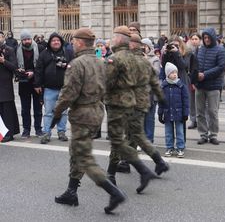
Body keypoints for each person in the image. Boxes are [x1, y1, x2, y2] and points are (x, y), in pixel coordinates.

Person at [52, 27, 126, 214]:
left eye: (73, 41)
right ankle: (71, 191)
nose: (72, 45)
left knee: (83, 157)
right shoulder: (102, 62)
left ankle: (113, 191)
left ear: (79, 42)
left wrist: (56, 112)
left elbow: (68, 94)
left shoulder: (77, 64)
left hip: (82, 114)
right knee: (78, 152)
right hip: (96, 111)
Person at [106, 34, 169, 186]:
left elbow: (109, 82)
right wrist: (161, 100)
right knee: (136, 136)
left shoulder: (123, 59)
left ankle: (112, 173)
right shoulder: (144, 61)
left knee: (120, 138)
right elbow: (155, 82)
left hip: (126, 103)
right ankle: (156, 162)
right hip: (141, 103)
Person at [34, 32, 74, 144]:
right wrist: (37, 84)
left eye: (58, 40)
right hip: (49, 88)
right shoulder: (44, 54)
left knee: (63, 112)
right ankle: (47, 133)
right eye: (53, 40)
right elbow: (38, 70)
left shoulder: (69, 52)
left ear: (61, 42)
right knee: (48, 113)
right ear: (50, 42)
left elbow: (74, 67)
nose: (56, 42)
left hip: (64, 88)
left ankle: (61, 132)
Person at [191, 27, 225, 145]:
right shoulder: (199, 50)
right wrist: (195, 79)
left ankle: (213, 134)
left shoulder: (220, 50)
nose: (206, 40)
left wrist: (204, 75)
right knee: (200, 112)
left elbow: (221, 67)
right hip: (200, 85)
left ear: (212, 37)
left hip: (213, 86)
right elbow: (195, 66)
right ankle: (203, 134)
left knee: (213, 112)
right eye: (204, 37)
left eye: (208, 37)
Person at [16, 29, 43, 138]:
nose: (27, 41)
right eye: (24, 39)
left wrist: (33, 73)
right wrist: (21, 72)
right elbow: (15, 66)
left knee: (38, 108)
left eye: (28, 39)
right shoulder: (16, 50)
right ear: (21, 40)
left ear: (31, 39)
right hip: (23, 83)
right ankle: (26, 130)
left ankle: (38, 129)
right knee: (25, 109)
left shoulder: (39, 48)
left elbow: (42, 67)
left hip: (37, 82)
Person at [158, 62, 189, 158]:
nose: (175, 74)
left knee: (180, 131)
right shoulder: (163, 86)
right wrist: (160, 113)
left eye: (176, 72)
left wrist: (185, 113)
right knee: (168, 132)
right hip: (167, 113)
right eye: (172, 72)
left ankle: (180, 148)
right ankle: (169, 147)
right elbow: (161, 101)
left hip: (179, 113)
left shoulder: (181, 86)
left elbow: (185, 100)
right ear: (168, 74)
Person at [0, 31, 19, 143]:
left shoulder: (9, 50)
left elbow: (14, 67)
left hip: (5, 85)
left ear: (3, 38)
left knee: (7, 111)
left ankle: (9, 133)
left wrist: (4, 61)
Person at [141, 37, 160, 143]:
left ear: (149, 47)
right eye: (141, 46)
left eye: (144, 46)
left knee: (149, 118)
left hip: (151, 93)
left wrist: (146, 60)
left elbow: (156, 73)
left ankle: (149, 139)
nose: (143, 48)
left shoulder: (155, 59)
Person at [187, 33, 201, 129]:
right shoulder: (188, 51)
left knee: (200, 102)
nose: (194, 41)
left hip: (200, 79)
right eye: (193, 39)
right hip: (190, 78)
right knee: (192, 101)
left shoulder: (202, 51)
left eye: (196, 39)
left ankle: (201, 120)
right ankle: (193, 120)